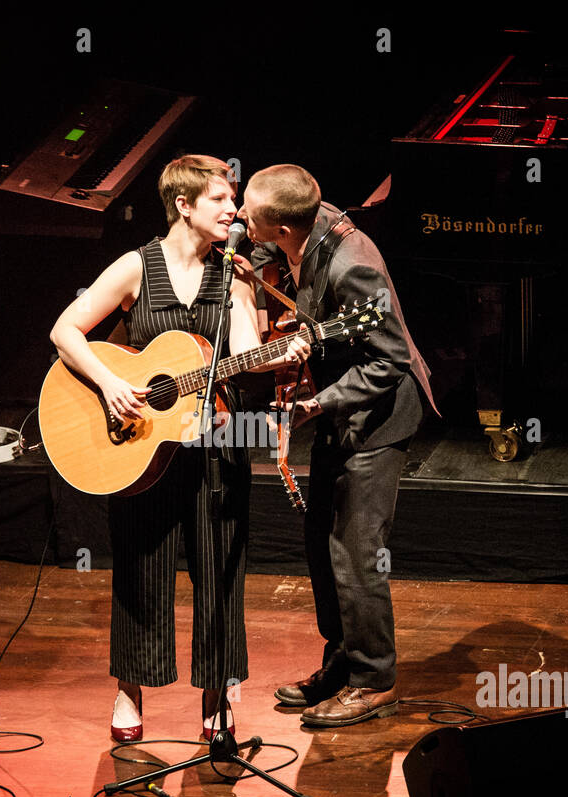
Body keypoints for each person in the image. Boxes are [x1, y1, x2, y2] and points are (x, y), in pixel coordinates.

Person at [49, 155, 308, 742]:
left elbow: (244, 357)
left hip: (216, 443)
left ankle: (217, 697)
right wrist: (111, 381)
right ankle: (128, 690)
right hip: (141, 447)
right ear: (184, 205)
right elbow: (65, 329)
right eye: (220, 199)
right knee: (140, 567)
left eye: (233, 198)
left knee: (220, 573)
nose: (233, 210)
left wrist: (275, 355)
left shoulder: (237, 274)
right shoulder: (137, 266)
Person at [237, 164, 438, 727]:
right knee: (321, 546)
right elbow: (256, 255)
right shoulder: (302, 230)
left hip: (376, 420)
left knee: (355, 555)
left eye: (247, 213)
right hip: (336, 412)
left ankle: (375, 680)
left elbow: (390, 359)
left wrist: (316, 403)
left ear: (278, 224)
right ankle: (343, 660)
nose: (238, 218)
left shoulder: (353, 265)